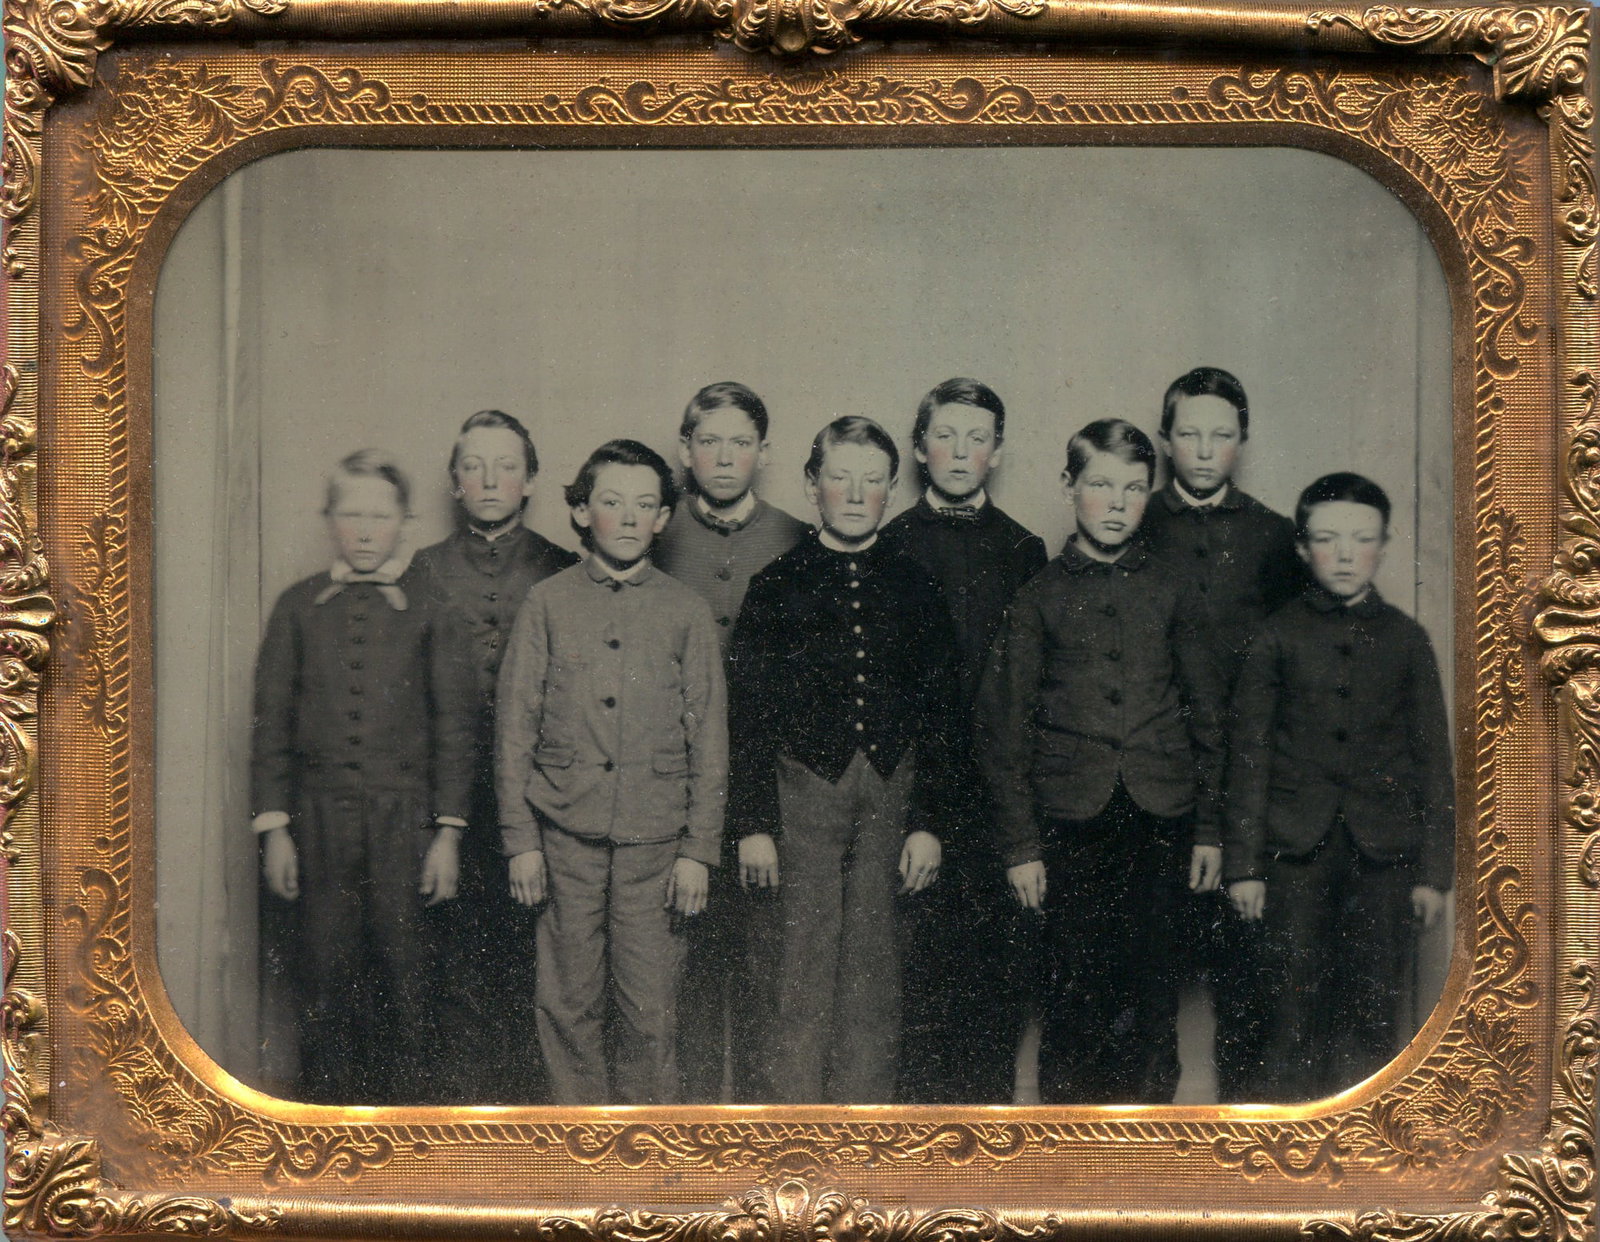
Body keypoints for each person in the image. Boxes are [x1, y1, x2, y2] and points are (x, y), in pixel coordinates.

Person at [975, 418, 1224, 1104]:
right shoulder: (1038, 598)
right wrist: (1022, 845)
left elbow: (1209, 717)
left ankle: (1144, 1169)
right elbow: (1005, 732)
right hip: (1068, 825)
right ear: (1068, 486)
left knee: (1152, 998)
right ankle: (1069, 1170)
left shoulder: (1173, 591)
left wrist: (1209, 829)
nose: (1117, 503)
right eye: (1100, 485)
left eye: (1134, 488)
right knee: (1072, 997)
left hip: (1160, 820)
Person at [729, 415, 960, 1103]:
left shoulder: (917, 587)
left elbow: (942, 715)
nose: (855, 495)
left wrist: (927, 821)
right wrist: (753, 824)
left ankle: (863, 1149)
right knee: (796, 977)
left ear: (891, 489)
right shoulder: (776, 586)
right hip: (801, 800)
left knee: (874, 977)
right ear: (812, 485)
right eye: (839, 479)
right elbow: (746, 717)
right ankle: (795, 1151)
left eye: (871, 481)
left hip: (890, 798)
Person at [495, 439, 726, 1105]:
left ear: (661, 520)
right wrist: (521, 842)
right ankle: (580, 1158)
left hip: (657, 847)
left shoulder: (685, 612)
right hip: (563, 837)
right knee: (566, 1004)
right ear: (580, 511)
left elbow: (710, 738)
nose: (628, 518)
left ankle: (645, 1160)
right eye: (611, 502)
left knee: (650, 1008)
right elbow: (514, 732)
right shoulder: (546, 603)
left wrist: (698, 851)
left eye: (645, 505)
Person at [251, 449, 474, 1104]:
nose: (367, 530)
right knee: (324, 977)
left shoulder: (433, 609)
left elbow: (454, 729)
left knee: (407, 983)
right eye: (352, 514)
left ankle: (407, 1149)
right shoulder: (298, 608)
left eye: (381, 515)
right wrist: (276, 830)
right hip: (317, 825)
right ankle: (327, 1142)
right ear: (330, 521)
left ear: (405, 521)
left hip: (404, 824)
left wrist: (447, 835)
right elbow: (272, 726)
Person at [1223, 472, 1453, 1101]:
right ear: (1302, 549)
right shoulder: (1274, 636)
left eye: (1361, 539)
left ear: (1382, 544)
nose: (1346, 554)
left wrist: (1434, 873)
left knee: (1374, 1019)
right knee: (1288, 1015)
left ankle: (1358, 1174)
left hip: (1384, 859)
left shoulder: (1407, 641)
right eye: (1327, 539)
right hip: (1291, 857)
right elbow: (1248, 758)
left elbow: (1433, 761)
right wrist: (1244, 866)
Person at [878, 377, 1047, 1104]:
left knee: (997, 985)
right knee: (912, 982)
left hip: (997, 803)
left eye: (977, 438)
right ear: (920, 447)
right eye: (946, 435)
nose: (960, 451)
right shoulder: (890, 544)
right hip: (909, 795)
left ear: (997, 454)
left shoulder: (1022, 549)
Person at [1139, 366, 1300, 1100]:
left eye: (1221, 435)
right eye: (1189, 434)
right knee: (1147, 980)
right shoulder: (1131, 522)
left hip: (1250, 792)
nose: (1204, 450)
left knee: (1253, 980)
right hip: (1157, 782)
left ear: (1243, 442)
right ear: (1166, 440)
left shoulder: (1275, 538)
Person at [410, 409, 577, 1102]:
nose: (489, 479)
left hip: (542, 803)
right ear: (454, 480)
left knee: (535, 957)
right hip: (447, 803)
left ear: (530, 479)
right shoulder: (424, 570)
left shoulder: (562, 565)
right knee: (452, 958)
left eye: (506, 465)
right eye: (474, 465)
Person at [654, 381, 807, 1103]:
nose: (724, 457)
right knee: (679, 971)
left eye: (740, 442)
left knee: (761, 969)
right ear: (685, 450)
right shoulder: (653, 532)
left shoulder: (794, 538)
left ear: (764, 454)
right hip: (670, 785)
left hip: (764, 791)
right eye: (708, 441)